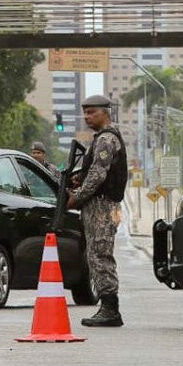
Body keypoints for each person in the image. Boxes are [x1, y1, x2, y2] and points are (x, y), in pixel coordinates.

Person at [67, 94, 128, 327]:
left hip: (103, 206)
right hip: (100, 205)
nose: (87, 117)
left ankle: (110, 309)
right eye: (85, 112)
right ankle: (107, 306)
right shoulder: (100, 139)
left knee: (100, 255)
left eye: (92, 112)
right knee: (95, 254)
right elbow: (92, 171)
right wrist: (77, 179)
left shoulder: (106, 139)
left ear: (105, 112)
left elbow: (98, 174)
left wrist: (78, 196)